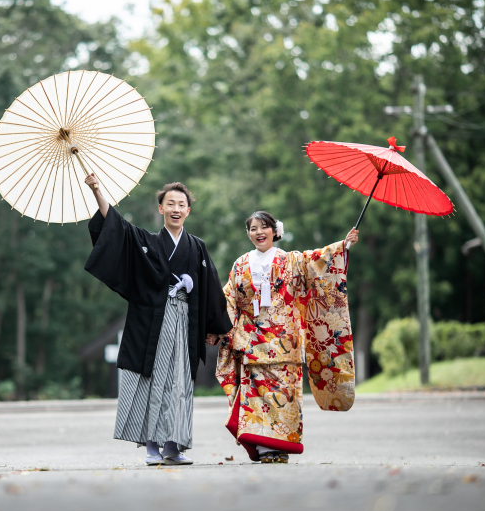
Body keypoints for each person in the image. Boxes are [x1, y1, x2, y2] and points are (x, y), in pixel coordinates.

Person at [83, 173, 232, 466]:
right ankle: (151, 446)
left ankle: (173, 447)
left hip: (184, 322)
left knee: (180, 385)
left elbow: (211, 284)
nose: (176, 209)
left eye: (181, 204)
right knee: (153, 381)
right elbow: (116, 226)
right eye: (170, 203)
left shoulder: (197, 246)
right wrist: (98, 190)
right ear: (161, 208)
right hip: (154, 322)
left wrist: (214, 326)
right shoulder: (146, 242)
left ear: (188, 210)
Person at [215, 211, 359, 463]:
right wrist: (216, 326)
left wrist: (343, 246)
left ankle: (279, 447)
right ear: (248, 233)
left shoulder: (291, 260)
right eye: (252, 228)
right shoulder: (240, 264)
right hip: (252, 339)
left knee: (284, 396)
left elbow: (319, 261)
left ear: (274, 230)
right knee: (256, 397)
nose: (258, 232)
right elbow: (228, 298)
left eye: (264, 227)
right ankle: (263, 447)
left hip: (285, 338)